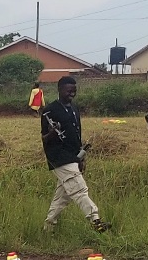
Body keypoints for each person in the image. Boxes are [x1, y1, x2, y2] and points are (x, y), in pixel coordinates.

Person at [40, 75, 109, 233]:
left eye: (74, 91)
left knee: (62, 196)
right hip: (58, 157)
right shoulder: (50, 110)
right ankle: (95, 220)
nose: (71, 94)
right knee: (79, 189)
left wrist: (80, 157)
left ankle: (48, 228)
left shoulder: (73, 109)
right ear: (59, 90)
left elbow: (76, 134)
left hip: (73, 155)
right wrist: (52, 133)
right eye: (68, 91)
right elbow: (44, 138)